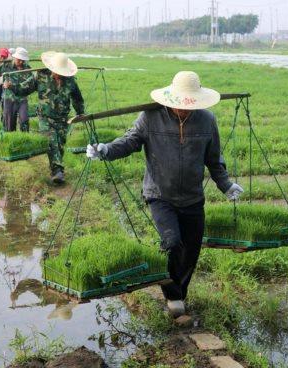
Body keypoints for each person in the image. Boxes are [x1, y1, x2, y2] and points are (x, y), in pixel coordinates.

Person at [86, 71, 244, 317]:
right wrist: (105, 150)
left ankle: (179, 292)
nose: (184, 109)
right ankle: (172, 296)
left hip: (192, 197)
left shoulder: (206, 120)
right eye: (180, 103)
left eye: (189, 104)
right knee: (172, 242)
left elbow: (214, 160)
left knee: (191, 251)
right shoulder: (151, 117)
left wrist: (226, 185)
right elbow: (129, 142)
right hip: (160, 194)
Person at [9, 52, 84, 184]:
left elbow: (77, 98)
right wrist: (12, 86)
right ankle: (58, 171)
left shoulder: (70, 81)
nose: (58, 74)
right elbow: (25, 88)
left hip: (62, 118)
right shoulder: (41, 75)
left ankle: (56, 169)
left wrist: (80, 113)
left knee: (60, 144)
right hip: (45, 117)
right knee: (51, 141)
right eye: (56, 71)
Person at [0, 47, 32, 132]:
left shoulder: (27, 69)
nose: (21, 62)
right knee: (9, 123)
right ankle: (11, 138)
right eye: (19, 59)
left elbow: (30, 84)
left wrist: (13, 86)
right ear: (14, 57)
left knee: (24, 120)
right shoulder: (6, 66)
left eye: (23, 60)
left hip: (22, 99)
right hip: (9, 99)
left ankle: (25, 139)